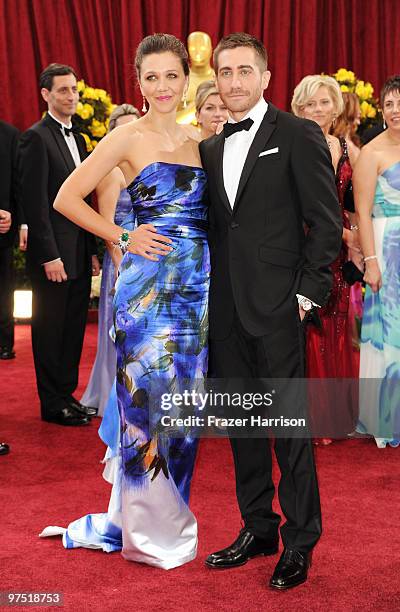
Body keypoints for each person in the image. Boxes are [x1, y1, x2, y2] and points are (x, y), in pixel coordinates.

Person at [40, 34, 209, 570]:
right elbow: (66, 197)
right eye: (151, 77)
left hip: (197, 294)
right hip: (148, 293)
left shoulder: (198, 139)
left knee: (184, 411)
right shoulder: (128, 138)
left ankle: (166, 519)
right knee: (147, 411)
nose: (162, 86)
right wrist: (120, 235)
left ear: (185, 78)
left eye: (170, 76)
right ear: (138, 83)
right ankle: (148, 533)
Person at [199, 33, 342, 590]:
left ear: (265, 77)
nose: (234, 81)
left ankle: (300, 541)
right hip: (227, 309)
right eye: (225, 71)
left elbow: (325, 221)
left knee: (289, 430)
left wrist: (306, 296)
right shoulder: (210, 147)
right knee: (243, 428)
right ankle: (258, 527)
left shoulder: (299, 133)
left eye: (243, 71)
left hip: (281, 307)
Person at [18, 63, 100, 426]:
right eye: (64, 90)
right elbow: (34, 203)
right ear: (46, 95)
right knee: (50, 330)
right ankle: (52, 403)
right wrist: (49, 254)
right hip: (53, 256)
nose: (71, 96)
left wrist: (92, 251)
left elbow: (83, 200)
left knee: (72, 329)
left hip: (79, 253)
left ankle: (66, 394)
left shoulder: (79, 138)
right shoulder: (35, 137)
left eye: (74, 90)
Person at [292, 75, 361, 444]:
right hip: (307, 244)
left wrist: (359, 241)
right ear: (298, 108)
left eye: (323, 102)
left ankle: (338, 414)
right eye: (309, 104)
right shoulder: (295, 142)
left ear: (335, 107)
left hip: (339, 248)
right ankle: (313, 419)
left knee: (337, 323)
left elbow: (356, 199)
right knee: (311, 326)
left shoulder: (345, 146)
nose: (317, 110)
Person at [80, 104, 140, 417]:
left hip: (145, 258)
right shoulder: (110, 172)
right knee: (120, 330)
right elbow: (106, 227)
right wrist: (122, 268)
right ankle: (113, 396)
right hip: (122, 261)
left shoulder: (142, 166)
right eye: (124, 128)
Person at [354, 75, 400, 449]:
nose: (395, 110)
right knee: (391, 333)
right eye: (389, 104)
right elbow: (363, 213)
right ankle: (389, 417)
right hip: (387, 248)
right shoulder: (371, 152)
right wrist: (371, 261)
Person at [332, 92, 364, 350]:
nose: (361, 118)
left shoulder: (348, 149)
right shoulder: (346, 147)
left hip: (344, 239)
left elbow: (358, 201)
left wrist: (354, 235)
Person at [0, 120, 20, 360]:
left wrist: (15, 219)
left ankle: (5, 342)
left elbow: (18, 184)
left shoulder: (10, 135)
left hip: (3, 229)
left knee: (4, 288)